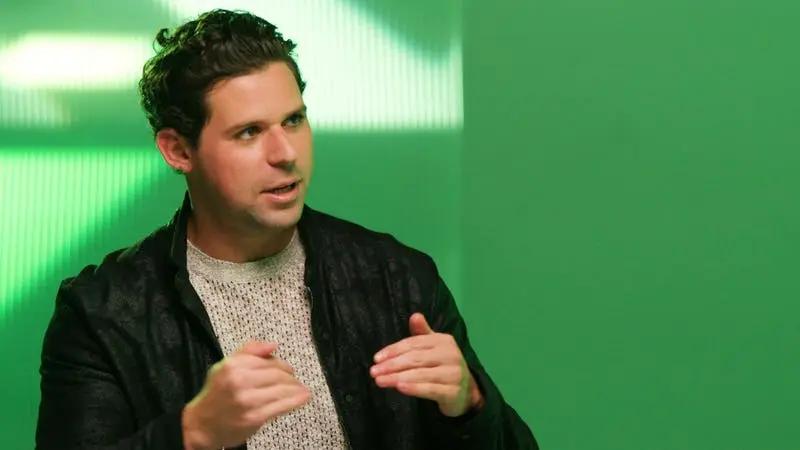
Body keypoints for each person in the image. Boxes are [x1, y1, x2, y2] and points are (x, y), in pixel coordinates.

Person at [36, 9, 537, 450]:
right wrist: (190, 434)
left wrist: (470, 405)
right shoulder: (100, 313)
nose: (286, 153)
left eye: (294, 121)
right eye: (250, 132)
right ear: (178, 150)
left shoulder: (396, 277)